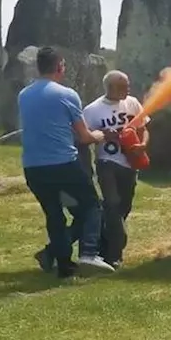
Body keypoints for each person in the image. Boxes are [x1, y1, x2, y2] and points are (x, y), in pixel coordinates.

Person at [18, 46, 115, 277]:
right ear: (60, 66)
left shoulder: (24, 95)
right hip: (63, 164)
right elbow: (85, 136)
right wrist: (102, 135)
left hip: (33, 166)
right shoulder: (66, 94)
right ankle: (89, 254)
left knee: (54, 215)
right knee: (92, 205)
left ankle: (63, 265)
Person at [82, 70, 149, 269]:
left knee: (122, 208)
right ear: (110, 88)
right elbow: (84, 136)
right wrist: (103, 133)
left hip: (130, 164)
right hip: (107, 162)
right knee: (112, 204)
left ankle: (103, 247)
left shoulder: (133, 103)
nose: (128, 89)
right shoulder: (93, 109)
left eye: (128, 85)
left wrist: (143, 145)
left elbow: (143, 128)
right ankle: (115, 254)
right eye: (123, 86)